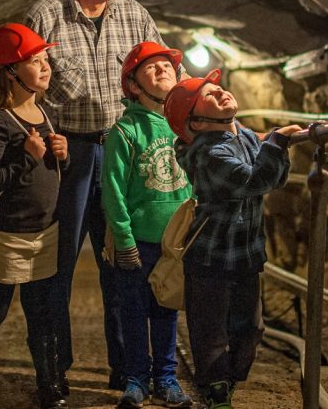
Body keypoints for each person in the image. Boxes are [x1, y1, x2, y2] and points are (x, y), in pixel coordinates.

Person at [25, 0, 172, 393]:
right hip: (68, 156)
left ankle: (126, 370)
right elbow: (24, 89)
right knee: (56, 267)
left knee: (123, 264)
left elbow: (163, 81)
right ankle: (53, 371)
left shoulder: (135, 16)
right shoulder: (45, 17)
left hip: (122, 152)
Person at [162, 70, 302, 409]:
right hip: (211, 256)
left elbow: (275, 179)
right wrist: (276, 143)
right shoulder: (209, 153)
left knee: (250, 328)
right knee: (211, 330)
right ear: (197, 123)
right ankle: (216, 389)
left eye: (218, 88)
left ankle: (229, 378)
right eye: (208, 95)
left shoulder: (245, 136)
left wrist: (275, 146)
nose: (221, 92)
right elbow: (254, 182)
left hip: (246, 254)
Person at [0, 23, 69, 409]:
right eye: (34, 61)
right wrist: (27, 157)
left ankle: (48, 387)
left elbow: (49, 173)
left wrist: (62, 155)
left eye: (45, 59)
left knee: (41, 316)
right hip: (6, 236)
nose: (46, 66)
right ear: (9, 72)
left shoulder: (44, 113)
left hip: (43, 233)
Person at [101, 42, 196, 409]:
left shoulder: (185, 127)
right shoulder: (125, 131)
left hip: (174, 242)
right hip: (139, 241)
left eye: (167, 66)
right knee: (134, 311)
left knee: (166, 309)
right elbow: (112, 190)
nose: (162, 70)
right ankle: (137, 379)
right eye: (151, 68)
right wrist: (123, 239)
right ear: (134, 86)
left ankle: (166, 379)